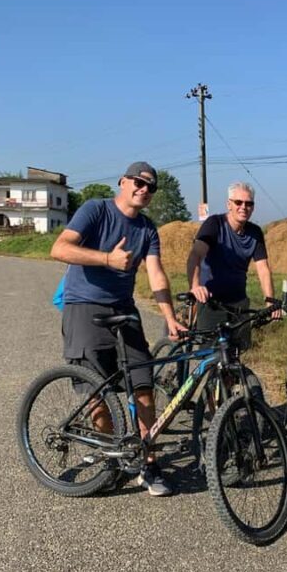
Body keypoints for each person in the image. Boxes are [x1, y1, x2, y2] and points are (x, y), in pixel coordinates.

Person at [51, 161, 186, 497]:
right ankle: (110, 455)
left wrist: (169, 316)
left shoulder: (148, 229)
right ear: (123, 182)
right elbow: (60, 248)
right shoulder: (95, 210)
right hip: (84, 306)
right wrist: (107, 260)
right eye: (138, 182)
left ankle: (147, 463)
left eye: (151, 187)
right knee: (96, 393)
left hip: (125, 310)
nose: (144, 189)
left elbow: (156, 274)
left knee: (143, 385)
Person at [186, 181, 280, 349]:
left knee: (237, 355)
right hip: (211, 302)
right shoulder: (214, 224)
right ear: (229, 204)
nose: (243, 207)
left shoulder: (255, 232)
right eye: (238, 202)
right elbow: (196, 254)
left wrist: (270, 301)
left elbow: (263, 269)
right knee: (212, 355)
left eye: (248, 203)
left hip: (239, 304)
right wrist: (195, 286)